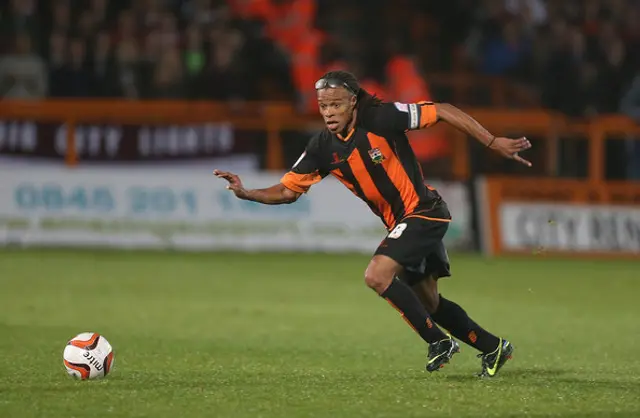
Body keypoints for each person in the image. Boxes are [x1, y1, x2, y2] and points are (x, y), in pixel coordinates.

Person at [214, 70, 532, 376]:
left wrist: (492, 142)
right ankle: (494, 347)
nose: (328, 112)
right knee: (429, 303)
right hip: (402, 222)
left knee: (377, 275)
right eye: (323, 105)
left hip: (424, 211)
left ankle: (438, 342)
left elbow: (444, 110)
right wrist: (246, 192)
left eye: (335, 104)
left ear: (353, 101)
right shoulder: (322, 147)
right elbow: (287, 190)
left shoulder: (381, 118)